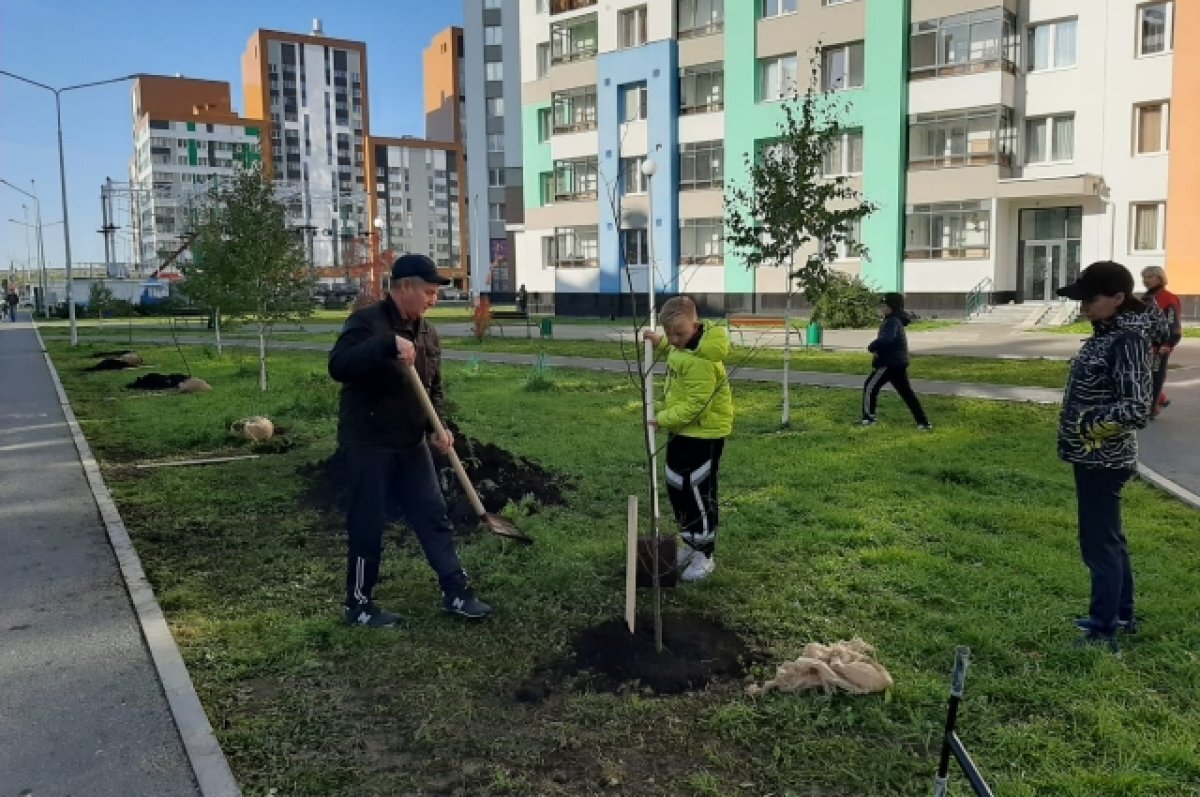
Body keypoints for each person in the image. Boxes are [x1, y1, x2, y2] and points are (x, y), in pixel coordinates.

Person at [328, 254, 493, 628]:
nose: (434, 299)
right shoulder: (367, 323)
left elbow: (432, 388)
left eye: (436, 293)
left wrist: (438, 426)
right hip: (369, 442)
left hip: (410, 441)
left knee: (433, 516)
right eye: (429, 292)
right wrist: (387, 344)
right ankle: (359, 604)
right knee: (367, 523)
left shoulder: (427, 333)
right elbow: (339, 365)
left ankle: (457, 593)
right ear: (404, 287)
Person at [1056, 261, 1155, 653]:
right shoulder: (1106, 333)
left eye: (1090, 299)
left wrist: (1086, 425)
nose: (1083, 306)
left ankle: (1102, 631)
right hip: (1092, 456)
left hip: (1104, 458)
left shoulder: (1126, 341)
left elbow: (1136, 409)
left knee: (1099, 546)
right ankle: (1122, 614)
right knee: (1110, 540)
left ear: (1117, 299)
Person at [643, 296, 733, 582]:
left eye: (679, 334)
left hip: (703, 434)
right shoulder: (685, 345)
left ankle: (704, 553)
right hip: (682, 431)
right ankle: (690, 542)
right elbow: (677, 348)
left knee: (697, 489)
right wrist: (660, 341)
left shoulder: (705, 361)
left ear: (695, 326)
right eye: (669, 333)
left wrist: (663, 419)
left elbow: (697, 404)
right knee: (676, 485)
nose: (674, 339)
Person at [861, 292, 931, 430]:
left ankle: (869, 419)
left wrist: (872, 346)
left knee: (870, 386)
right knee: (907, 393)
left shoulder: (892, 321)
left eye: (884, 305)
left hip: (889, 363)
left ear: (891, 306)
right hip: (898, 363)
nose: (882, 308)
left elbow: (888, 339)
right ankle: (923, 422)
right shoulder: (895, 320)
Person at [1141, 266, 1182, 418]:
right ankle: (1160, 399)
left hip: (1160, 346)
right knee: (1144, 375)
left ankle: (1151, 409)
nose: (1146, 280)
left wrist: (1169, 343)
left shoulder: (1168, 298)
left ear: (1159, 278)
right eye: (1144, 277)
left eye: (1149, 277)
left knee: (1155, 376)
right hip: (1145, 344)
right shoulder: (1146, 298)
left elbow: (1174, 324)